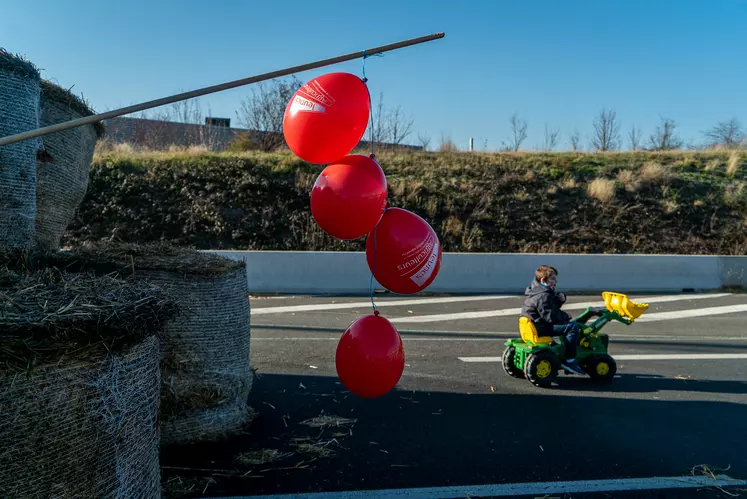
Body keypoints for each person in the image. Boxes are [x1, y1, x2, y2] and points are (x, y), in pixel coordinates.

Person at [520, 265, 585, 375]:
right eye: (553, 279)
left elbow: (548, 309)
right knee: (572, 327)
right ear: (543, 280)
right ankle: (570, 360)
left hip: (536, 324)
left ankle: (563, 350)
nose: (556, 282)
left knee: (565, 325)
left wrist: (559, 300)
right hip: (540, 327)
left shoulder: (536, 291)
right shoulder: (544, 295)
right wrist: (566, 316)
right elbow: (550, 317)